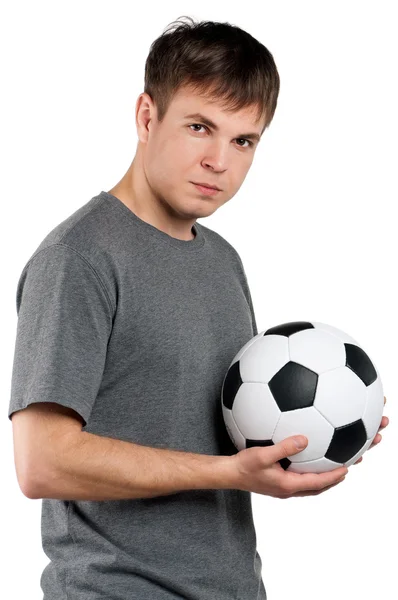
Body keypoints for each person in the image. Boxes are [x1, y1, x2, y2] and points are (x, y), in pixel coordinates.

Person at [8, 15, 389, 600]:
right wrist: (230, 474)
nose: (220, 160)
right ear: (146, 116)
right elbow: (42, 463)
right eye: (198, 127)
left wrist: (310, 439)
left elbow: (220, 428)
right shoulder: (78, 257)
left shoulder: (222, 259)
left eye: (243, 140)